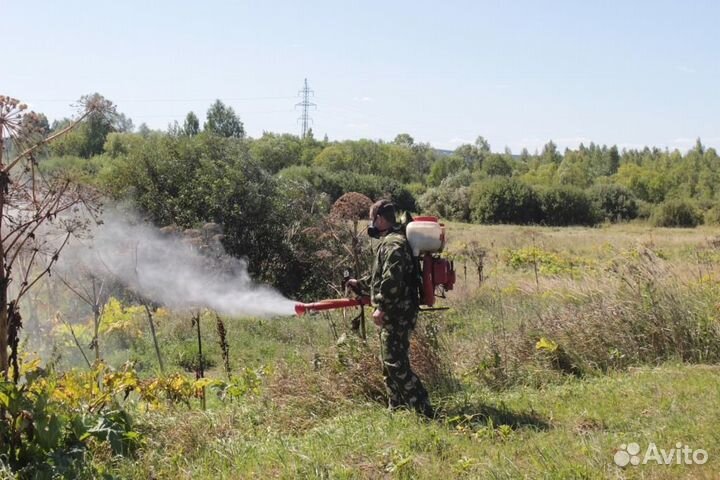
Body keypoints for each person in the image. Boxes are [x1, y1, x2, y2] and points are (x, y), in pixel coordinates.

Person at [348, 200, 434, 418]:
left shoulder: (393, 244)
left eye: (372, 218)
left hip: (398, 313)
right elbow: (381, 277)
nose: (371, 223)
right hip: (396, 311)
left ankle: (424, 409)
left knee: (395, 364)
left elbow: (393, 280)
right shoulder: (390, 242)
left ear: (380, 219)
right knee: (389, 364)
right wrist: (361, 284)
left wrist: (382, 307)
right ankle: (396, 407)